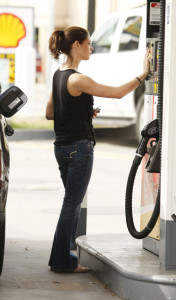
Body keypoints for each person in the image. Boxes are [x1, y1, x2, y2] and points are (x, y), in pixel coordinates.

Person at [46, 26, 150, 273]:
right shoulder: (78, 78)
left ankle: (63, 257)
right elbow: (117, 93)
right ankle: (62, 261)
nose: (91, 47)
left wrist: (83, 112)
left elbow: (50, 112)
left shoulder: (58, 75)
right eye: (89, 43)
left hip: (61, 147)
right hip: (79, 148)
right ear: (77, 45)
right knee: (71, 203)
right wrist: (144, 74)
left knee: (70, 201)